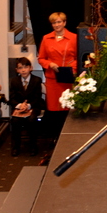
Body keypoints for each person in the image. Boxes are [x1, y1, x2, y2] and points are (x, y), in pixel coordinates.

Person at [37, 12, 77, 140]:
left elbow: (79, 57)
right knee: (54, 109)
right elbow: (41, 58)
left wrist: (71, 68)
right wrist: (50, 64)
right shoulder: (46, 38)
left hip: (67, 77)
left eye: (59, 22)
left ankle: (67, 137)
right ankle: (55, 137)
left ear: (64, 23)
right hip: (52, 78)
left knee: (67, 107)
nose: (56, 25)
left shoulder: (74, 38)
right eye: (54, 23)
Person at [7, 57, 44, 157]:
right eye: (20, 68)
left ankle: (33, 146)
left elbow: (37, 97)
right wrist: (20, 105)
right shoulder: (14, 81)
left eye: (25, 67)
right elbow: (12, 98)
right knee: (15, 120)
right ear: (17, 70)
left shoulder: (36, 80)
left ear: (31, 68)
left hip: (34, 106)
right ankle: (16, 147)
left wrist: (28, 105)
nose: (23, 70)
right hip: (19, 107)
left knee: (32, 120)